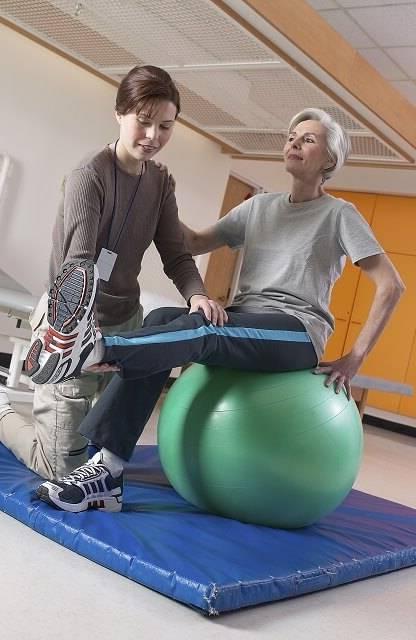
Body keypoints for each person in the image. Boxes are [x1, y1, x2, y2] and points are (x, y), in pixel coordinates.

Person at [30, 107, 405, 513]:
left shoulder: (339, 215)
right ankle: (107, 472)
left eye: (308, 139)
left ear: (330, 160)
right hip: (245, 319)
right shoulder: (259, 208)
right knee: (160, 320)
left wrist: (355, 358)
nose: (294, 142)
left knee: (205, 330)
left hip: (296, 330)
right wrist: (159, 195)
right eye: (292, 135)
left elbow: (391, 285)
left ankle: (94, 350)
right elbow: (190, 242)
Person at [0, 65, 224, 481]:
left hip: (124, 327)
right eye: (144, 121)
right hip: (70, 328)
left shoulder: (161, 184)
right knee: (60, 467)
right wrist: (85, 340)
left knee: (99, 452)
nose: (153, 136)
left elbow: (176, 255)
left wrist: (197, 295)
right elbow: (79, 267)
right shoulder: (90, 176)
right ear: (120, 113)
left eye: (165, 126)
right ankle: (2, 409)